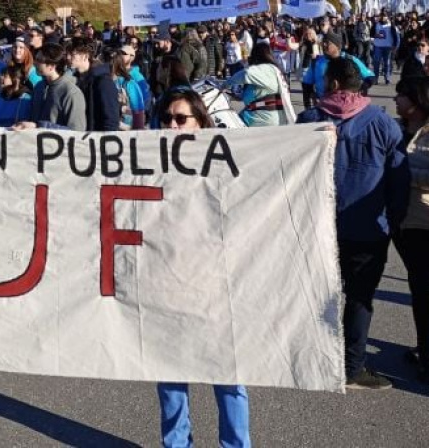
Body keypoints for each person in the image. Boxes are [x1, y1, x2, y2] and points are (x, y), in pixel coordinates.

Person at [297, 57, 410, 390]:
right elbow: (398, 180)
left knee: (313, 293)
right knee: (359, 298)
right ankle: (352, 366)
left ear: (332, 84)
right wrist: (393, 221)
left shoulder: (308, 120)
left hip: (315, 227)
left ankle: (307, 355)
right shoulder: (383, 124)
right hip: (367, 228)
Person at [155, 89, 251, 448]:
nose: (172, 125)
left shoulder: (223, 160)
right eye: (167, 118)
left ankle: (235, 444)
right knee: (169, 373)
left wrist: (316, 138)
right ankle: (176, 443)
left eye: (181, 118)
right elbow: (97, 155)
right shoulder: (148, 158)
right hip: (166, 280)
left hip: (215, 283)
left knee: (228, 374)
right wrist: (40, 129)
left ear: (201, 121)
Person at [393, 76, 429, 384]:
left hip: (424, 220)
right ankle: (423, 347)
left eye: (401, 96)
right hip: (403, 222)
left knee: (424, 291)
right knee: (418, 289)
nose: (395, 101)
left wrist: (404, 173)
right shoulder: (396, 129)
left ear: (415, 102)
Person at [13, 43, 86, 131]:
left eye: (39, 60)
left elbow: (77, 131)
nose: (35, 63)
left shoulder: (71, 93)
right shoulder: (39, 87)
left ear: (51, 66)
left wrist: (39, 126)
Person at [225, 43, 296, 127]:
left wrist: (224, 85)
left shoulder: (265, 69)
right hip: (278, 117)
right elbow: (260, 92)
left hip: (262, 117)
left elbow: (246, 74)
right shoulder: (274, 69)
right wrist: (238, 96)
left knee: (229, 125)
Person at [302, 32, 374, 103]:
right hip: (323, 105)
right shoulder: (316, 62)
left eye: (327, 43)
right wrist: (309, 101)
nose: (324, 44)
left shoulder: (350, 60)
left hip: (347, 106)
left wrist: (361, 91)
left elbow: (370, 77)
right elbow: (306, 84)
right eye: (323, 42)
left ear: (337, 46)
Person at [67, 38, 119, 132]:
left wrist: (103, 143)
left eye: (72, 54)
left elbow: (111, 120)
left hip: (95, 140)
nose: (68, 57)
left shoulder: (103, 82)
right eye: (67, 54)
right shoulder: (75, 80)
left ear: (85, 56)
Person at [112, 49, 146, 130]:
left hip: (126, 130)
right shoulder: (103, 83)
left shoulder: (129, 84)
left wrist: (137, 131)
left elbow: (138, 110)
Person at [371, 12, 400, 85]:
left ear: (387, 17)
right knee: (376, 63)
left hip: (388, 47)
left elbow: (396, 37)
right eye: (382, 16)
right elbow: (371, 34)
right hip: (378, 46)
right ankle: (376, 78)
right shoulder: (376, 24)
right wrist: (375, 35)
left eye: (385, 16)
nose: (383, 17)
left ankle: (387, 78)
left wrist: (395, 46)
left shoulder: (391, 25)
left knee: (387, 63)